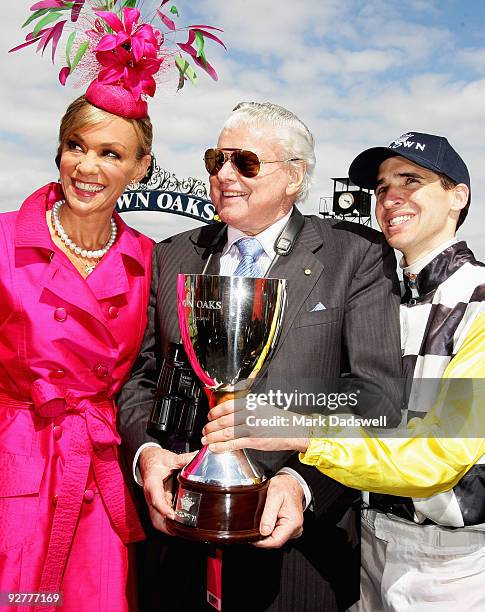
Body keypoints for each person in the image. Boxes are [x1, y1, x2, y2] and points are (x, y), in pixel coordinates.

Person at [118, 101, 403, 611]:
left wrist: (302, 480)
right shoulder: (173, 255)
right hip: (179, 539)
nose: (224, 174)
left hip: (300, 548)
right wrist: (148, 456)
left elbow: (376, 396)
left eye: (244, 162)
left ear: (294, 176)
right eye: (216, 159)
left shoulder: (354, 256)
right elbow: (143, 378)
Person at [203, 132, 485, 611]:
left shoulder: (479, 299)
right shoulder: (383, 297)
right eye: (381, 187)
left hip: (452, 566)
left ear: (458, 196)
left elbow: (440, 455)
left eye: (410, 181)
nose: (390, 197)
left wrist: (296, 429)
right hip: (368, 548)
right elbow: (365, 405)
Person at [3, 2, 224, 610]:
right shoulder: (3, 242)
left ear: (139, 167)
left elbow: (163, 372)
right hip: (13, 473)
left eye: (110, 153)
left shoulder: (151, 261)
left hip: (102, 475)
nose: (88, 166)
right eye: (77, 146)